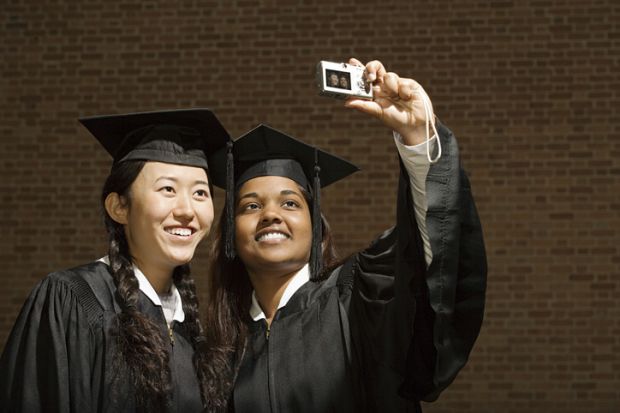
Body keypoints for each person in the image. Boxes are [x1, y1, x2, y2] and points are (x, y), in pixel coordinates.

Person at [202, 59, 487, 412]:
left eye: (290, 203)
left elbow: (435, 263)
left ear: (315, 226)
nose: (271, 215)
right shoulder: (220, 348)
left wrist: (418, 137)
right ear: (230, 231)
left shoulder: (361, 298)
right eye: (250, 207)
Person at [0, 109, 231, 412]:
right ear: (119, 207)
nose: (187, 209)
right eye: (168, 189)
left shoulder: (192, 331)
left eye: (200, 193)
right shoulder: (74, 301)